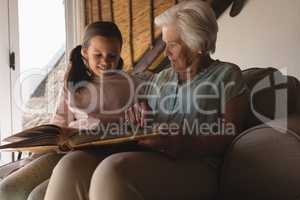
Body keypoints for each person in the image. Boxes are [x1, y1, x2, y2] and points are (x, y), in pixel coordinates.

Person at [90, 0, 248, 200]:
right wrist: (140, 116)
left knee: (111, 171)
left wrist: (185, 142)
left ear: (198, 43)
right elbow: (146, 117)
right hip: (152, 156)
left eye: (172, 45)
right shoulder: (163, 77)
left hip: (197, 165)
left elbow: (231, 133)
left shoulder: (227, 74)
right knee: (75, 164)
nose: (166, 53)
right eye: (165, 44)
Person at [0, 21, 139, 200]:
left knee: (37, 196)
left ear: (120, 53)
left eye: (112, 56)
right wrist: (41, 148)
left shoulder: (131, 84)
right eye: (98, 55)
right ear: (85, 53)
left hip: (99, 154)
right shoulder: (73, 83)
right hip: (66, 149)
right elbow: (59, 122)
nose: (106, 61)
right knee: (8, 188)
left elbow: (139, 123)